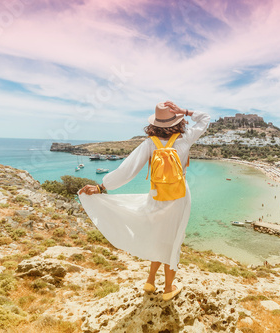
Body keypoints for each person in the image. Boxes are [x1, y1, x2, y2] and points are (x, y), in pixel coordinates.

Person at [77, 101, 210, 301]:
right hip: (179, 197)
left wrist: (102, 187)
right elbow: (205, 118)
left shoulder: (149, 144)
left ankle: (150, 282)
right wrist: (185, 111)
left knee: (157, 237)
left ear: (155, 124)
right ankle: (168, 289)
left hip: (156, 197)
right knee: (173, 240)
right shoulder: (185, 139)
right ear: (177, 121)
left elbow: (126, 170)